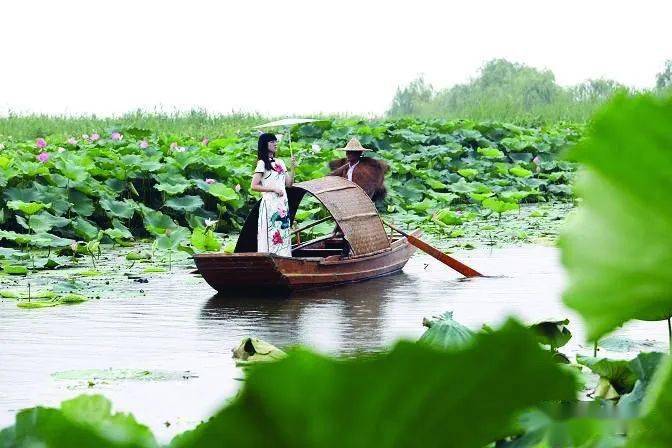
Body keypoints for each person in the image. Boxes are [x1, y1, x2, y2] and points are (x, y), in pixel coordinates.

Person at [250, 133, 296, 256]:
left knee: (284, 231)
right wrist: (273, 189)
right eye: (272, 142)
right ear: (265, 145)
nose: (275, 144)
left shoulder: (280, 162)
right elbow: (254, 186)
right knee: (271, 233)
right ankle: (269, 259)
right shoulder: (262, 163)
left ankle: (285, 258)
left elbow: (289, 184)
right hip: (270, 204)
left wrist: (292, 167)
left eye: (276, 142)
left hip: (282, 204)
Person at [328, 138, 389, 202]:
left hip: (360, 199)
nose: (348, 155)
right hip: (346, 197)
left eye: (351, 153)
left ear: (359, 153)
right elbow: (331, 176)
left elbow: (369, 188)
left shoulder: (366, 169)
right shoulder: (346, 166)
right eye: (347, 152)